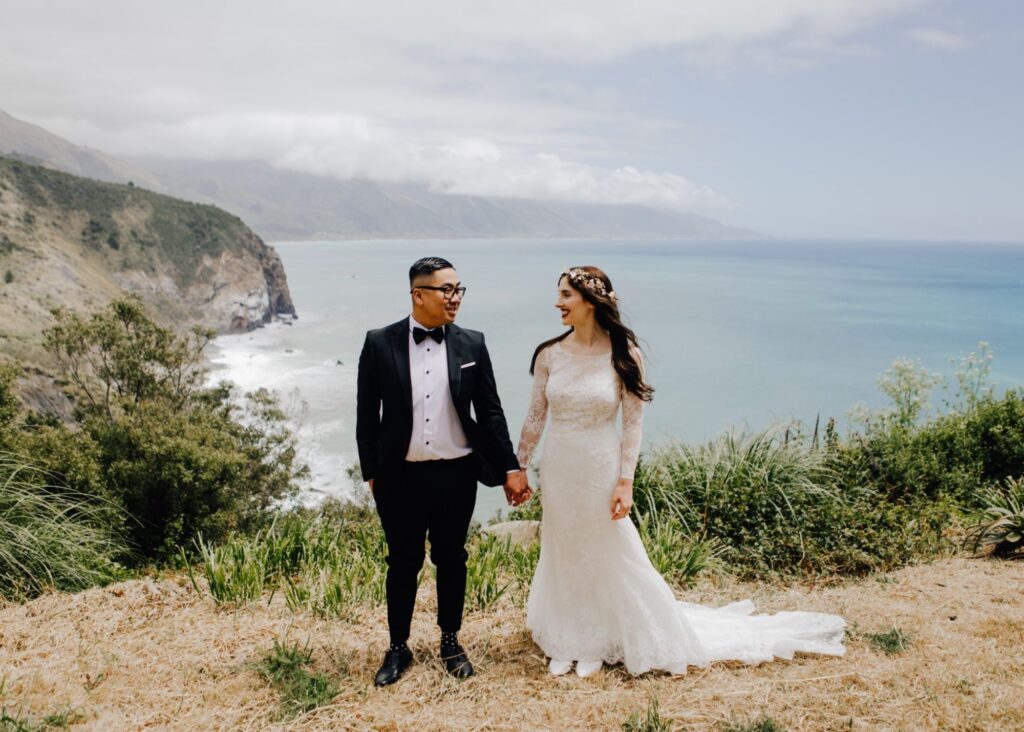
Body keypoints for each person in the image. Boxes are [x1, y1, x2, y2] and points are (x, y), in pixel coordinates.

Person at [514, 266, 845, 677]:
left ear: (591, 301)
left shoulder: (624, 353)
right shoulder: (549, 354)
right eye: (558, 294)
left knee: (608, 547)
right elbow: (535, 416)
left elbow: (633, 425)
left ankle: (602, 637)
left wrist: (625, 483)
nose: (557, 302)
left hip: (600, 466)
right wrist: (521, 465)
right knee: (564, 544)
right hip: (560, 465)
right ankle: (569, 635)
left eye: (566, 295)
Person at [356, 256, 530, 687]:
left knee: (452, 559)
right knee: (402, 562)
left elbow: (490, 411)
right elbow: (366, 414)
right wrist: (372, 472)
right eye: (445, 290)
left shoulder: (473, 343)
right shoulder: (379, 343)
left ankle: (450, 641)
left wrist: (510, 466)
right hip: (400, 477)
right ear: (418, 295)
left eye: (458, 290)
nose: (455, 298)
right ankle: (398, 648)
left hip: (456, 474)